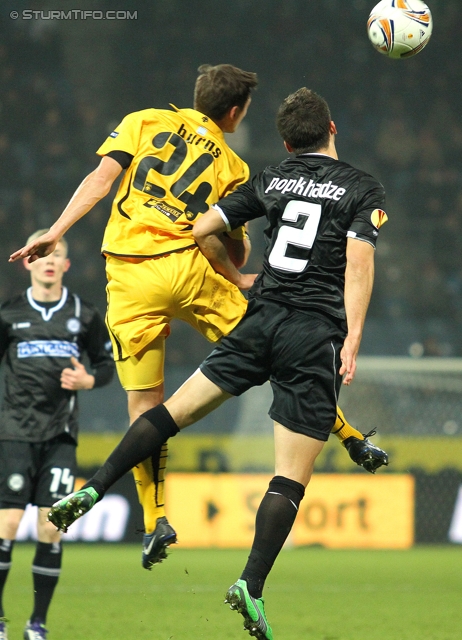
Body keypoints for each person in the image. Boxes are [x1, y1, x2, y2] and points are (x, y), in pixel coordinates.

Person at [10, 66, 387, 571]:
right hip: (191, 269)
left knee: (147, 406)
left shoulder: (143, 121)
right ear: (235, 113)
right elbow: (224, 235)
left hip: (129, 275)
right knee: (281, 350)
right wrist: (235, 274)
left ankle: (152, 519)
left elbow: (101, 179)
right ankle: (348, 436)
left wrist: (55, 231)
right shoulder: (234, 164)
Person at [0, 230, 114, 640]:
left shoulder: (83, 314)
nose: (49, 261)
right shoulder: (8, 314)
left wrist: (88, 379)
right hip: (14, 434)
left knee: (50, 528)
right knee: (7, 525)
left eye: (57, 254)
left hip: (61, 437)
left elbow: (106, 365)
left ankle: (37, 625)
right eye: (42, 255)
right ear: (29, 262)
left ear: (65, 264)